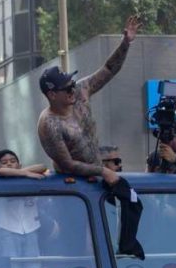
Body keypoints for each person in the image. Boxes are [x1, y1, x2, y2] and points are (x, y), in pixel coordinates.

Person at [37, 15, 140, 184]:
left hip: (97, 176)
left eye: (72, 84)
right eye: (67, 88)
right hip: (73, 185)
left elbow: (108, 69)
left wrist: (126, 43)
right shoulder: (49, 124)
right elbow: (68, 164)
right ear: (52, 95)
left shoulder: (79, 91)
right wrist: (103, 171)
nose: (72, 90)